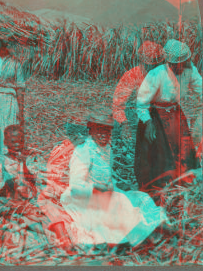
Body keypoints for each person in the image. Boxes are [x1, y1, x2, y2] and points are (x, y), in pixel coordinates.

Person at [60, 111, 169, 249]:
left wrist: (118, 190)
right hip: (85, 198)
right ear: (90, 129)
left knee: (140, 197)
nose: (103, 134)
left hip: (106, 194)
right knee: (119, 204)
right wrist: (100, 190)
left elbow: (110, 180)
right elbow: (76, 186)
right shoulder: (83, 151)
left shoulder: (107, 149)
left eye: (107, 130)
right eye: (99, 130)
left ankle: (149, 232)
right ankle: (130, 239)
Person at [135, 39, 202, 194]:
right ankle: (157, 188)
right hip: (154, 116)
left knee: (184, 148)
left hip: (176, 113)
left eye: (185, 62)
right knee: (158, 152)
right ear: (170, 64)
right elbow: (142, 102)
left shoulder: (189, 70)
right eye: (179, 64)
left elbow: (200, 88)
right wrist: (148, 122)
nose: (183, 66)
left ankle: (184, 183)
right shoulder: (156, 75)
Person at [112, 41, 166, 190]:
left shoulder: (164, 74)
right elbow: (118, 104)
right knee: (143, 158)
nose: (153, 67)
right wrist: (124, 124)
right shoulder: (132, 75)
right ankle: (145, 187)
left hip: (160, 116)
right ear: (141, 61)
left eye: (156, 64)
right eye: (149, 64)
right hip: (140, 118)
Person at [38, 121, 88, 252]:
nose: (82, 137)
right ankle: (63, 237)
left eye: (84, 133)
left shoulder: (86, 150)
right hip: (60, 192)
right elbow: (54, 176)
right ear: (72, 134)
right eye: (78, 133)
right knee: (52, 206)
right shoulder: (61, 150)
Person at [0, 125, 36, 200]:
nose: (18, 144)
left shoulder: (31, 160)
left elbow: (36, 182)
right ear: (5, 142)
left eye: (21, 141)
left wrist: (23, 162)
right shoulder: (0, 163)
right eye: (13, 141)